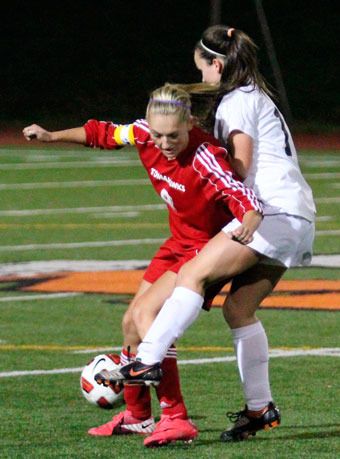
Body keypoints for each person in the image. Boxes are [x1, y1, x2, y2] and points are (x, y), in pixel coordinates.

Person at [97, 25, 316, 443]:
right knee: (239, 310)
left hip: (268, 212)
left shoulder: (236, 101)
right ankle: (259, 407)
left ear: (216, 64)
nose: (204, 75)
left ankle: (146, 360)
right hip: (298, 217)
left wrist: (205, 163)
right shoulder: (255, 93)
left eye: (203, 68)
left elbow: (239, 165)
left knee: (192, 275)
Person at [23, 83, 263, 446]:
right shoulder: (142, 134)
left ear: (190, 124)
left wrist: (248, 218)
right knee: (130, 324)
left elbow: (240, 194)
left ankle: (175, 416)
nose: (164, 143)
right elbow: (101, 133)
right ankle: (138, 416)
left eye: (173, 135)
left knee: (147, 316)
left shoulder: (205, 155)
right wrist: (52, 135)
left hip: (206, 248)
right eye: (157, 134)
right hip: (178, 243)